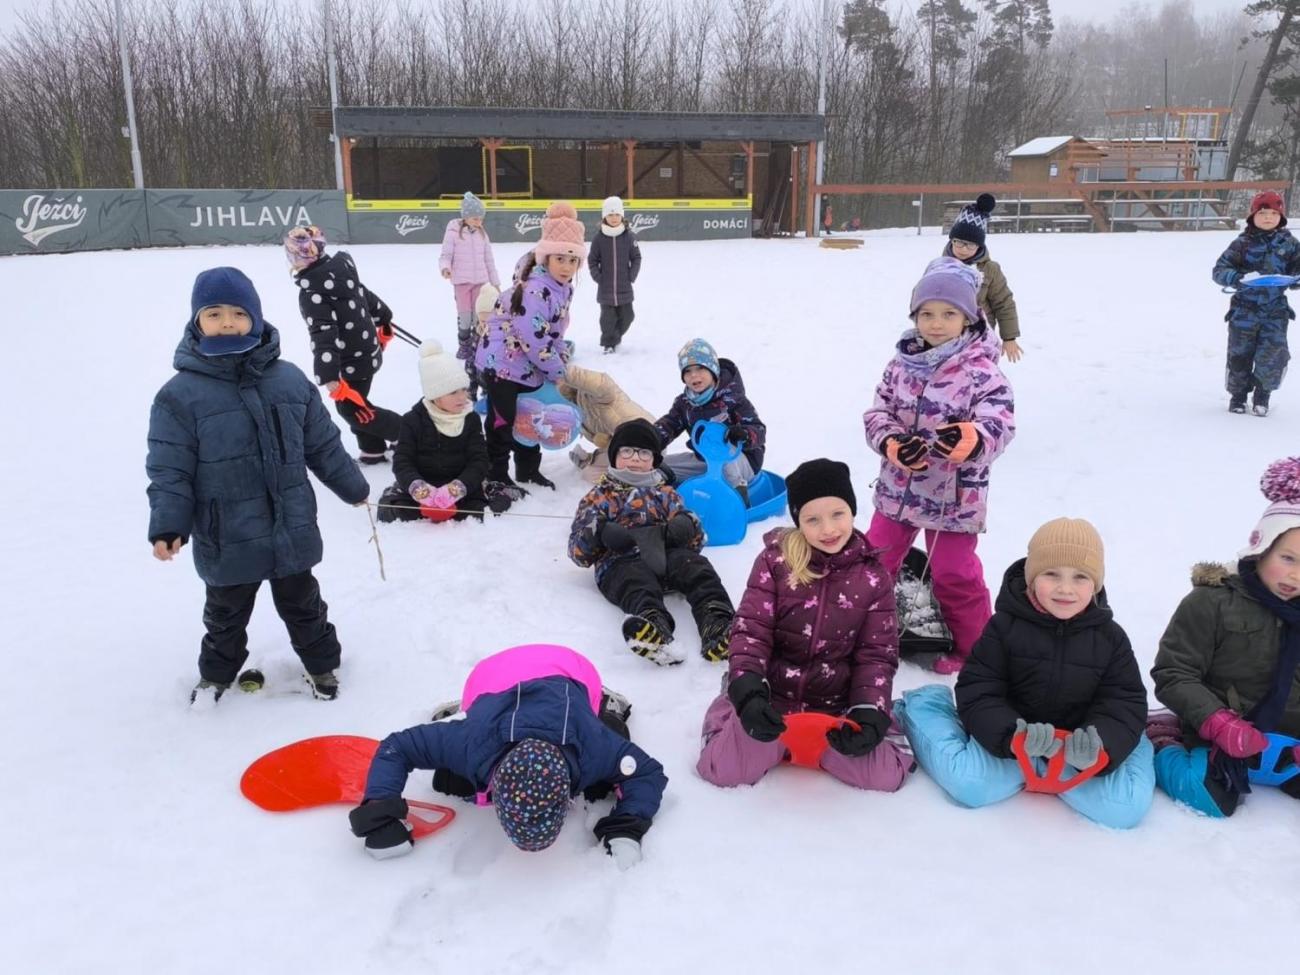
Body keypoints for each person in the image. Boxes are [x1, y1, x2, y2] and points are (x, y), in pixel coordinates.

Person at [146, 267, 369, 704]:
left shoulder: (288, 381)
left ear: (257, 317)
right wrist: (168, 525)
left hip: (291, 528)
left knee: (305, 606)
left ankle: (322, 667)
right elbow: (170, 469)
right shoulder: (179, 396)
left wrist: (352, 486)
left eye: (237, 313)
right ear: (197, 322)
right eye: (214, 313)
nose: (227, 322)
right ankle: (215, 677)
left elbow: (322, 444)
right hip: (226, 533)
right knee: (225, 616)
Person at [896, 518, 1154, 829]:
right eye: (1051, 574)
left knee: (1123, 809)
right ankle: (926, 707)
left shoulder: (1110, 639)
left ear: (1096, 584)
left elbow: (1123, 701)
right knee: (970, 785)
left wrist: (1101, 744)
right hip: (1014, 743)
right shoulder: (1004, 627)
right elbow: (980, 688)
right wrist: (1011, 734)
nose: (1065, 588)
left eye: (1081, 577)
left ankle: (1137, 747)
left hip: (1075, 750)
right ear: (1032, 577)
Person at [696, 459, 913, 791]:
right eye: (813, 519)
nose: (828, 529)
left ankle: (888, 726)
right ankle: (730, 709)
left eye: (837, 514)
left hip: (835, 709)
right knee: (720, 770)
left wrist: (869, 711)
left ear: (852, 512)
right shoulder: (775, 562)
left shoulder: (873, 577)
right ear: (798, 522)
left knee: (886, 776)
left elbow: (876, 655)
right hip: (773, 704)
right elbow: (751, 632)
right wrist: (750, 693)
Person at [349, 644, 666, 869]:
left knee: (612, 746)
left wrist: (626, 829)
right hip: (496, 675)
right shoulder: (471, 742)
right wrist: (379, 809)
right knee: (453, 780)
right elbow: (397, 747)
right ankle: (469, 708)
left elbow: (646, 773)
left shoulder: (593, 746)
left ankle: (606, 704)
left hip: (568, 670)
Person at [863, 257, 1015, 675]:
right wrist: (892, 443)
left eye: (949, 314)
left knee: (954, 574)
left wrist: (973, 439)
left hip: (954, 499)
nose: (936, 323)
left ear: (969, 317)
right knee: (873, 562)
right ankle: (859, 635)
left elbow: (1000, 423)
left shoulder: (983, 372)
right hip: (899, 490)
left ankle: (975, 651)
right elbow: (878, 413)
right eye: (926, 313)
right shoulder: (900, 364)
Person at [1148, 457, 1300, 817]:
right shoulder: (1212, 601)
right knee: (1208, 798)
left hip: (1288, 746)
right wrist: (1217, 721)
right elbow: (1173, 672)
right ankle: (1163, 744)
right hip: (1219, 738)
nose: (1296, 575)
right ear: (1261, 547)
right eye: (1289, 558)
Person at [568, 419, 734, 665]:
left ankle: (718, 624)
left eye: (644, 452)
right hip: (622, 561)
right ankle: (654, 628)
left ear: (654, 460)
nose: (635, 458)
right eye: (627, 451)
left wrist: (686, 524)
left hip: (667, 553)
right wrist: (600, 531)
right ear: (613, 456)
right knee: (635, 582)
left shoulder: (666, 493)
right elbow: (577, 552)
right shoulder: (599, 496)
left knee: (697, 568)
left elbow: (696, 540)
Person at [475, 201, 585, 488]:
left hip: (526, 365)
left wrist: (560, 359)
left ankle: (527, 470)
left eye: (573, 261)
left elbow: (556, 332)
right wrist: (557, 371)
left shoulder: (563, 289)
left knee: (532, 413)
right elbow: (533, 338)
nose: (567, 267)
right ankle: (495, 473)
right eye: (560, 259)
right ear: (545, 258)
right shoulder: (535, 290)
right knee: (503, 420)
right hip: (501, 364)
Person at [285, 225, 403, 464]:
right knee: (358, 403)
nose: (291, 261)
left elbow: (323, 333)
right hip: (367, 354)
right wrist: (384, 318)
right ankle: (373, 449)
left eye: (292, 256)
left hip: (350, 363)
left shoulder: (313, 292)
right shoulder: (340, 272)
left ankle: (405, 433)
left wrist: (329, 375)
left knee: (352, 410)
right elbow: (365, 296)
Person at [376, 341, 492, 523]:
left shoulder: (471, 419)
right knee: (393, 512)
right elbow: (402, 461)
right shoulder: (412, 420)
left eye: (464, 390)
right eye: (453, 392)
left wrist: (458, 488)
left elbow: (479, 460)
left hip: (460, 488)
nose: (462, 397)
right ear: (435, 396)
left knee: (475, 513)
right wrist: (418, 488)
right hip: (423, 486)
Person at [1211, 190, 1300, 416]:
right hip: (1244, 311)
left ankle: (1263, 396)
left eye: (1273, 213)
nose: (1268, 217)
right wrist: (1236, 278)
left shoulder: (1290, 244)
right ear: (1253, 216)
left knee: (1272, 356)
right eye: (1262, 213)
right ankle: (1238, 398)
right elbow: (1220, 270)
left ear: (1281, 216)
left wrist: (1295, 279)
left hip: (1275, 313)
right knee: (1240, 356)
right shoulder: (1242, 243)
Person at [654, 338, 766, 495]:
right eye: (687, 371)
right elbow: (668, 425)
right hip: (705, 461)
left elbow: (759, 431)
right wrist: (648, 439)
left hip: (740, 461)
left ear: (712, 370)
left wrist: (743, 434)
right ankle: (656, 496)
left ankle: (736, 496)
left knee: (720, 443)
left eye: (700, 368)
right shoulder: (684, 403)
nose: (693, 375)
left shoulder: (734, 399)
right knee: (658, 465)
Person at [943, 194, 1023, 363]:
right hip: (946, 336)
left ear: (980, 246)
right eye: (959, 242)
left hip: (980, 337)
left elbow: (1004, 303)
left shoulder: (990, 269)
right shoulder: (940, 267)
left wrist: (1009, 337)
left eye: (970, 244)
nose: (963, 249)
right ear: (952, 241)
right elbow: (922, 299)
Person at [440, 192, 501, 397]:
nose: (479, 221)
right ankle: (464, 343)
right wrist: (445, 268)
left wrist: (495, 281)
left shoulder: (483, 234)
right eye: (476, 218)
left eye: (481, 218)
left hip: (480, 281)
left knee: (480, 317)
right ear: (465, 216)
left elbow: (489, 259)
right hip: (461, 281)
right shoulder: (454, 232)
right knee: (465, 316)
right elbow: (446, 254)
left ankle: (477, 344)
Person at [558, 362, 655, 482]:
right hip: (624, 445)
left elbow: (602, 383)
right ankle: (591, 461)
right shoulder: (578, 409)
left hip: (648, 439)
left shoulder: (598, 394)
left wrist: (561, 372)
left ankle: (648, 474)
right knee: (590, 475)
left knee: (630, 472)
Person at [588, 195, 642, 353]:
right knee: (607, 319)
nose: (614, 218)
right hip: (606, 288)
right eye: (610, 215)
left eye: (617, 214)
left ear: (622, 216)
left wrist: (631, 275)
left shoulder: (629, 237)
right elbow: (592, 260)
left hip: (624, 286)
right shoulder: (599, 238)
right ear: (604, 217)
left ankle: (615, 337)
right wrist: (598, 277)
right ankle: (608, 343)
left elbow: (636, 257)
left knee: (628, 316)